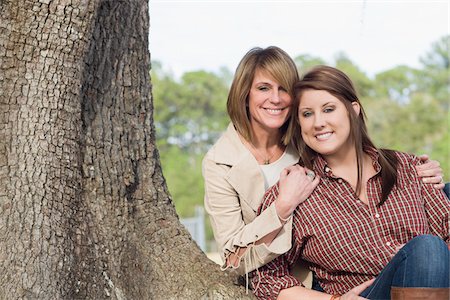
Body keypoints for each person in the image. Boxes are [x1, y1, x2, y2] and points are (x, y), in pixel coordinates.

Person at [251, 65, 449, 300]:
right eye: (307, 114)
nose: (318, 123)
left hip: (432, 288)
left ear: (353, 110)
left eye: (328, 109)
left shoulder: (408, 167)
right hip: (365, 296)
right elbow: (262, 278)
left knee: (428, 250)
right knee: (426, 248)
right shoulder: (294, 191)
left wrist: (414, 261)